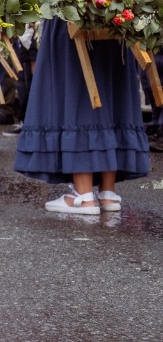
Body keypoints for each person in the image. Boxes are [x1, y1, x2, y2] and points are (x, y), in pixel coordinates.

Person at [15, 24, 151, 215]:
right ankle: (107, 192)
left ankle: (83, 195)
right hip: (115, 22)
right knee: (109, 83)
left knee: (78, 86)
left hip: (71, 20)